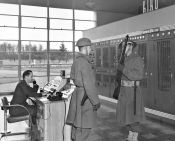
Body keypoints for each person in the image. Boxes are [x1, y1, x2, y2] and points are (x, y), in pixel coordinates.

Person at [66, 38, 101, 141]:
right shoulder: (85, 63)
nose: (90, 50)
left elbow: (72, 77)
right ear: (85, 48)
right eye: (89, 47)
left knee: (77, 125)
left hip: (77, 94)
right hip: (85, 98)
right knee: (85, 127)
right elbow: (89, 85)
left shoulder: (76, 62)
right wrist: (96, 101)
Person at [116, 40, 145, 141]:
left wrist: (123, 69)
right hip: (124, 92)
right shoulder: (123, 59)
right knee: (126, 116)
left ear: (130, 46)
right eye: (122, 46)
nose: (123, 48)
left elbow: (139, 75)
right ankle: (130, 136)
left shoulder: (137, 59)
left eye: (125, 46)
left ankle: (134, 138)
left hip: (133, 92)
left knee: (134, 116)